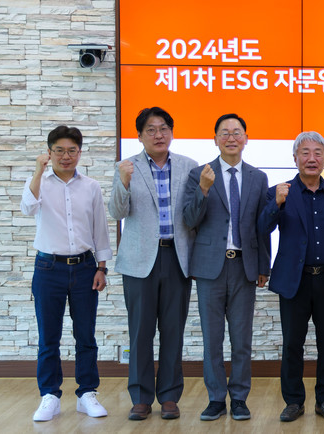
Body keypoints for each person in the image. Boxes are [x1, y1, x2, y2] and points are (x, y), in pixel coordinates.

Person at [109, 107, 198, 421]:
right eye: (151, 129)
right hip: (139, 261)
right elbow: (117, 212)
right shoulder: (126, 167)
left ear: (171, 132)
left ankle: (170, 396)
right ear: (139, 135)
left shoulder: (189, 166)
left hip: (177, 258)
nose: (158, 135)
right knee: (140, 332)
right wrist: (123, 182)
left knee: (173, 331)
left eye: (163, 128)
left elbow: (195, 213)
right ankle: (141, 397)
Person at [183, 113, 270, 421]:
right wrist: (203, 190)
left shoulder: (258, 177)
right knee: (212, 339)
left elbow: (262, 226)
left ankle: (240, 398)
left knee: (242, 339)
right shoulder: (199, 174)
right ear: (215, 139)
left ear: (246, 138)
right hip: (210, 268)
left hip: (244, 266)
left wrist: (264, 266)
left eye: (236, 132)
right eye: (224, 132)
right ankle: (216, 398)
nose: (231, 138)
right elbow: (189, 219)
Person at [21, 125, 112, 422]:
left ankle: (87, 393)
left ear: (80, 153)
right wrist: (38, 171)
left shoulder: (91, 186)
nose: (66, 156)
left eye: (72, 150)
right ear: (49, 153)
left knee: (85, 335)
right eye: (59, 150)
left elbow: (100, 229)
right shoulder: (38, 183)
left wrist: (101, 267)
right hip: (48, 268)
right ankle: (50, 395)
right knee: (49, 337)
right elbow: (27, 208)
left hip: (85, 268)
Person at [259, 131, 324, 422]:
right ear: (295, 157)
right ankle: (294, 401)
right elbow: (262, 229)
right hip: (294, 281)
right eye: (305, 152)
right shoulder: (280, 191)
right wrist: (276, 204)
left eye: (317, 153)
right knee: (292, 345)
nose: (312, 158)